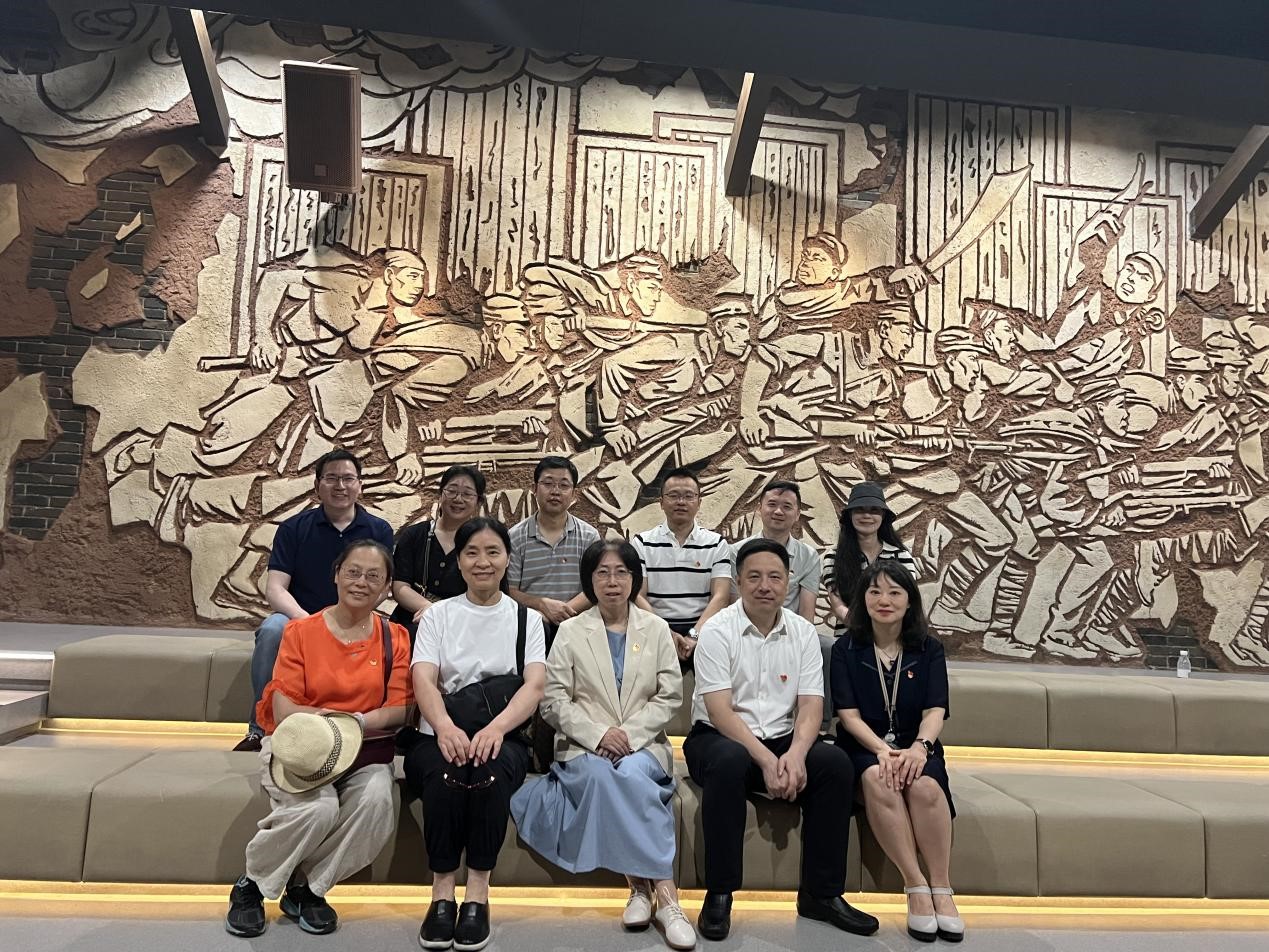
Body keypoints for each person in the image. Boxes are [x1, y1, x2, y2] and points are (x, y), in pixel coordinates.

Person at [683, 538, 878, 942]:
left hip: (782, 737)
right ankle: (719, 892)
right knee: (729, 762)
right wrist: (768, 761)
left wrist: (796, 754)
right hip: (719, 738)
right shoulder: (717, 631)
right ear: (738, 582)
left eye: (774, 577)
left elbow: (811, 706)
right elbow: (720, 712)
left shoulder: (803, 632)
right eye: (754, 577)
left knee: (835, 765)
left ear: (788, 582)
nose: (765, 586)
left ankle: (822, 895)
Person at [512, 540, 694, 949]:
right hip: (584, 745)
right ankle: (662, 895)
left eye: (621, 572)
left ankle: (645, 892)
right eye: (602, 573)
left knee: (630, 772)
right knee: (603, 773)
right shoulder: (571, 631)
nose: (612, 581)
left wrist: (627, 735)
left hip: (642, 745)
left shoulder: (656, 629)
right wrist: (598, 735)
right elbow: (554, 699)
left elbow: (669, 696)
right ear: (589, 580)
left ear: (634, 579)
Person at [225, 540, 411, 938]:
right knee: (319, 809)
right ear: (336, 576)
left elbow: (400, 709)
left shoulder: (395, 637)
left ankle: (308, 888)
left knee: (377, 802)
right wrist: (333, 723)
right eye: (353, 572)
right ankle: (251, 886)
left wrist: (353, 722)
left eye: (373, 576)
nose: (361, 582)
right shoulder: (300, 631)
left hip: (362, 749)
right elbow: (284, 710)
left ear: (386, 588)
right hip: (301, 744)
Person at [405, 517, 547, 952]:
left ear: (507, 559)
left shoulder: (527, 619)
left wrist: (497, 728)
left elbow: (534, 685)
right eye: (472, 552)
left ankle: (478, 893)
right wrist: (444, 727)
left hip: (502, 734)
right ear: (459, 561)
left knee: (487, 774)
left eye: (492, 552)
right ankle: (442, 892)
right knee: (446, 775)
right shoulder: (437, 615)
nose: (482, 562)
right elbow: (423, 678)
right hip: (438, 731)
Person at [831, 561, 962, 943]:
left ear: (910, 601)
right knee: (878, 777)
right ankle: (915, 885)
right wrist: (881, 750)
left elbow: (935, 710)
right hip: (864, 747)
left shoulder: (928, 648)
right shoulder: (846, 649)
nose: (883, 600)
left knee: (924, 787)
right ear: (862, 600)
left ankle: (942, 888)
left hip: (917, 744)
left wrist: (920, 748)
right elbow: (848, 716)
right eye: (874, 592)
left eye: (894, 592)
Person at [235, 449, 394, 752]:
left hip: (356, 617)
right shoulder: (293, 528)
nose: (340, 486)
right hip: (301, 616)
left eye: (348, 478)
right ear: (317, 485)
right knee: (272, 629)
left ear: (360, 485)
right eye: (331, 478)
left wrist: (347, 618)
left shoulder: (379, 530)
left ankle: (372, 728)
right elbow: (276, 588)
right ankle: (260, 729)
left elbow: (382, 587)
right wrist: (310, 623)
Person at [632, 468, 733, 668]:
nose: (681, 502)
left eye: (688, 496)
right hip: (654, 627)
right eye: (673, 495)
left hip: (703, 629)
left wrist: (694, 635)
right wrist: (666, 633)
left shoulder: (716, 544)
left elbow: (721, 597)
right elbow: (637, 595)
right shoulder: (642, 543)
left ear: (699, 502)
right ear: (661, 502)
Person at [508, 456, 600, 644]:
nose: (555, 491)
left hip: (577, 624)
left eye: (564, 485)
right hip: (531, 626)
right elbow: (511, 590)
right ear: (535, 489)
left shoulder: (589, 536)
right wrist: (542, 605)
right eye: (548, 484)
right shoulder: (515, 537)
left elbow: (596, 586)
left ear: (573, 494)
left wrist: (563, 612)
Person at [390, 465, 484, 631]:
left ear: (479, 502)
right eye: (452, 491)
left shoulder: (481, 543)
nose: (458, 499)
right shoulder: (414, 535)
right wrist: (431, 610)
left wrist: (443, 614)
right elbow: (400, 586)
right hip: (411, 623)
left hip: (461, 625)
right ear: (440, 494)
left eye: (467, 494)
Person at [827, 482, 919, 627]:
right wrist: (868, 631)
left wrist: (883, 633)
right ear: (850, 515)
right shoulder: (834, 557)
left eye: (874, 510)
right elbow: (838, 606)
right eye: (859, 509)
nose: (867, 515)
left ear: (883, 515)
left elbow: (907, 600)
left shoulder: (901, 556)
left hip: (892, 635)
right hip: (849, 636)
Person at [732, 480, 821, 622]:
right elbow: (733, 604)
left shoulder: (808, 557)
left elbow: (806, 615)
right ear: (759, 508)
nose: (778, 511)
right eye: (772, 504)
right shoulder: (736, 552)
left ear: (797, 514)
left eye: (787, 506)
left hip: (789, 631)